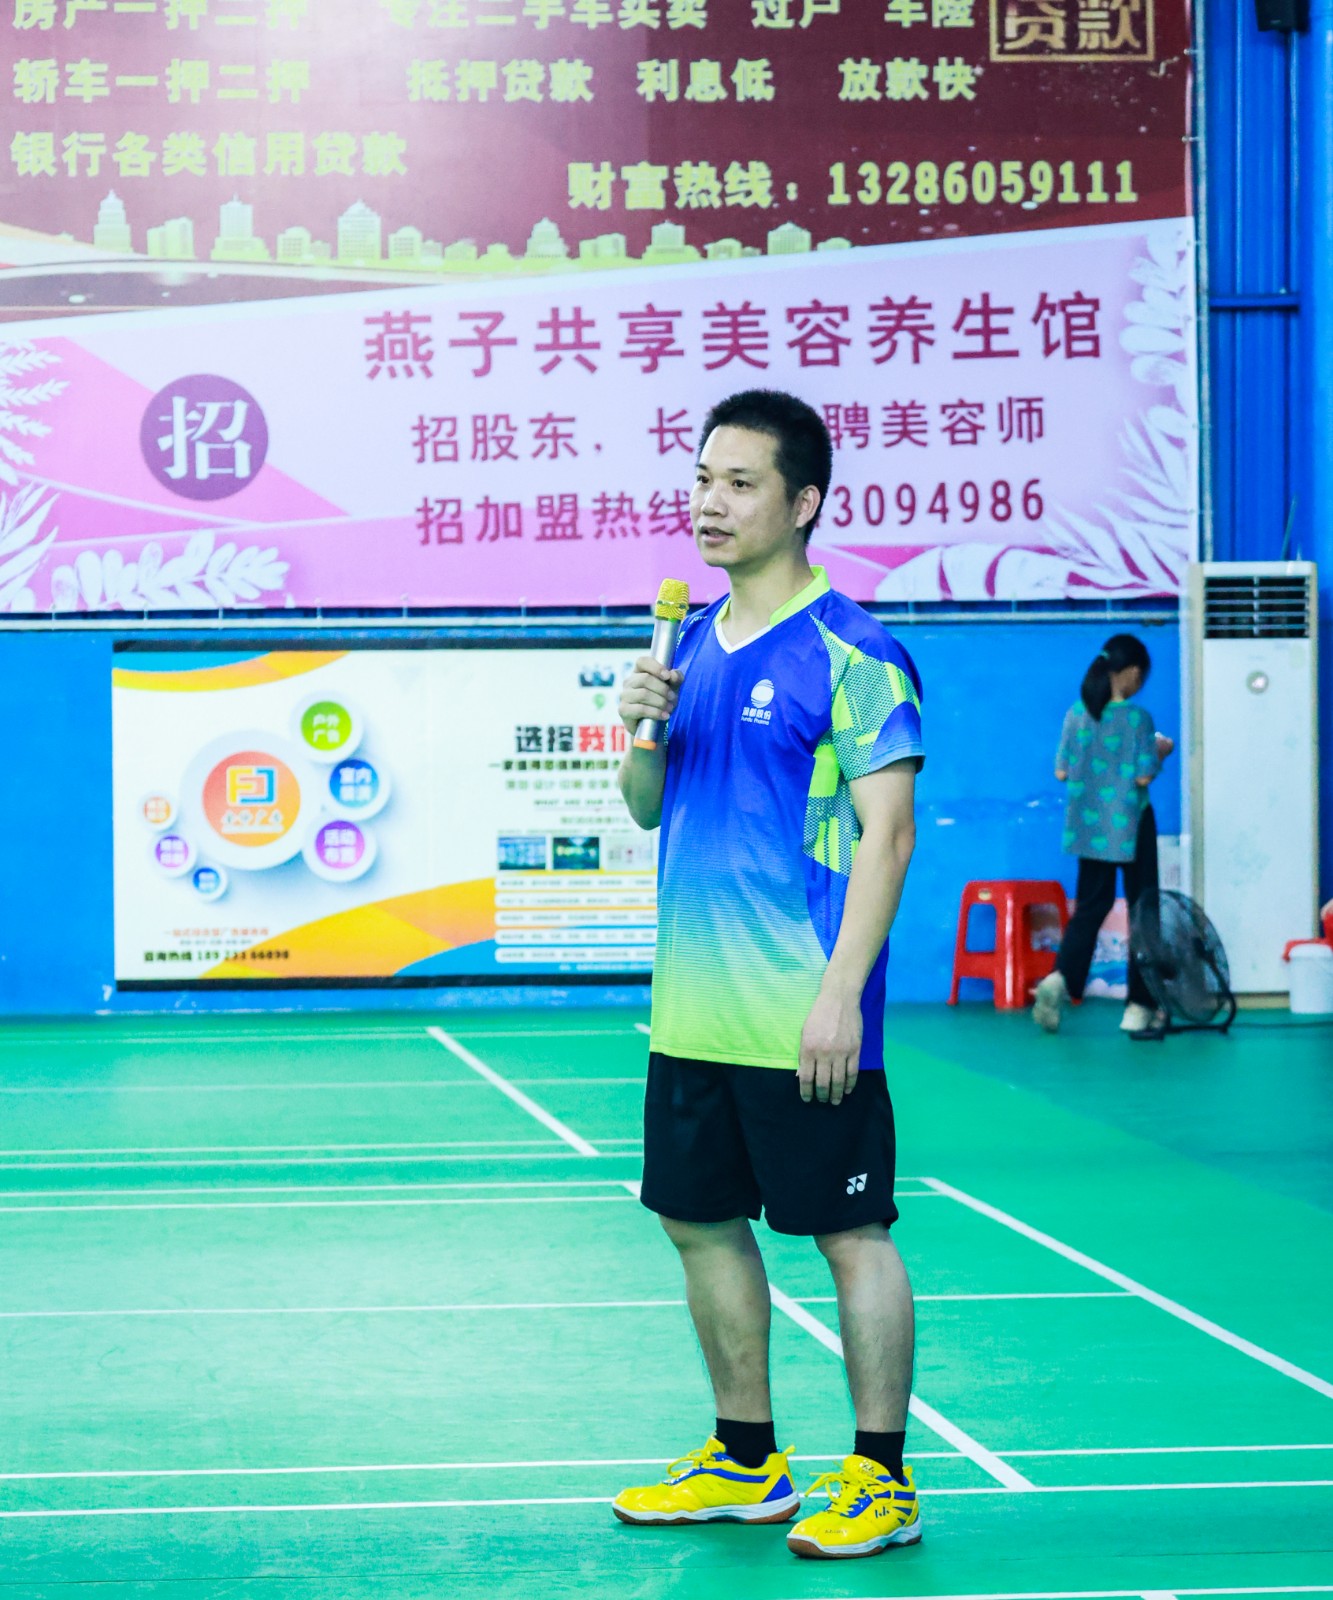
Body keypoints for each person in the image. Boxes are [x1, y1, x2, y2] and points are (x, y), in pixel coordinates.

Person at [611, 390, 925, 1562]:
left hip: (803, 1009)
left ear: (801, 503)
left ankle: (882, 1478)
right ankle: (745, 1458)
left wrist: (841, 994)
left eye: (739, 482)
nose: (710, 501)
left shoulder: (855, 652)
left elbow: (889, 835)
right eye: (701, 478)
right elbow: (647, 809)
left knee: (851, 1233)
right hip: (692, 1010)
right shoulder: (686, 644)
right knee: (696, 1222)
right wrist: (638, 726)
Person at [1033, 634, 1174, 1034]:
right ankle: (1139, 1007)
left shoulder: (1076, 714)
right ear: (1131, 672)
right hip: (1132, 823)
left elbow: (1061, 771)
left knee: (1090, 908)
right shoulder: (1138, 719)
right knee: (1143, 910)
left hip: (1090, 826)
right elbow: (1143, 775)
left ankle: (1059, 979)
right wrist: (1160, 751)